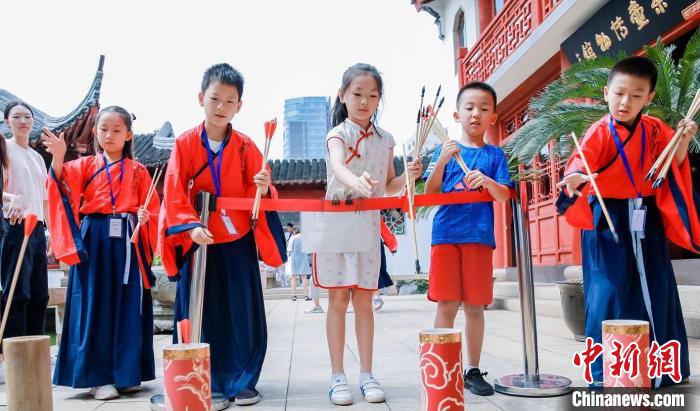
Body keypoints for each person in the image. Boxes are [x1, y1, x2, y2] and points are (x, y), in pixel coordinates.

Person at [557, 56, 698, 387]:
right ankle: (606, 371)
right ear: (606, 92)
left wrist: (686, 139)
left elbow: (673, 163)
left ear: (649, 98)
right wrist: (576, 179)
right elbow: (579, 164)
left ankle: (663, 368)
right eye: (619, 93)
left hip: (645, 215)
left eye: (636, 95)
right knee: (608, 290)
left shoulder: (654, 128)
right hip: (608, 217)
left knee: (656, 285)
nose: (626, 102)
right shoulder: (600, 132)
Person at [158, 63, 286, 405]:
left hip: (236, 241)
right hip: (198, 239)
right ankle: (199, 376)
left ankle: (244, 379)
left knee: (241, 312)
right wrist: (191, 224)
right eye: (215, 98)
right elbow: (173, 190)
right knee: (199, 310)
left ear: (239, 106)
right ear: (201, 97)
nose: (221, 107)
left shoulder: (246, 146)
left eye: (230, 101)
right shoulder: (185, 143)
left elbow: (260, 194)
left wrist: (263, 187)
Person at [312, 63, 422, 405]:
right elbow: (338, 165)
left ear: (379, 100)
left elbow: (388, 186)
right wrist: (354, 181)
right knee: (337, 299)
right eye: (357, 94)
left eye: (372, 96)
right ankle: (337, 377)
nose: (364, 101)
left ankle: (367, 374)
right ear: (343, 95)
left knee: (364, 301)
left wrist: (407, 176)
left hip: (367, 222)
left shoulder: (386, 140)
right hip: (335, 220)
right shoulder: (338, 134)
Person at [44, 106, 159, 399]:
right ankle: (97, 378)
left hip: (128, 240)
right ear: (95, 132)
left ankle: (125, 373)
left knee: (127, 303)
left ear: (128, 135)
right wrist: (58, 157)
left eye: (117, 130)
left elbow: (154, 208)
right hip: (95, 238)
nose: (109, 135)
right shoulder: (83, 165)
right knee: (95, 304)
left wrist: (145, 217)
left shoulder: (139, 171)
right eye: (104, 129)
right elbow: (59, 188)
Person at [424, 81, 512, 396]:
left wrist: (487, 181)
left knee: (475, 305)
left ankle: (472, 370)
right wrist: (443, 161)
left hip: (479, 237)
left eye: (484, 108)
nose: (476, 114)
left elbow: (503, 196)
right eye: (470, 107)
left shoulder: (495, 155)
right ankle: (441, 366)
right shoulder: (443, 150)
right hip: (446, 235)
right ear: (457, 114)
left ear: (493, 116)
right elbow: (430, 194)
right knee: (446, 303)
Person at [0, 102, 49, 381]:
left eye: (27, 116)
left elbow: (43, 197)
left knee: (39, 294)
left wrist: (51, 230)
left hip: (38, 228)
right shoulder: (4, 148)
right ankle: (13, 358)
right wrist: (11, 198)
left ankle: (34, 354)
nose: (22, 121)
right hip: (15, 226)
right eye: (16, 116)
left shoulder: (37, 157)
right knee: (17, 293)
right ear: (7, 121)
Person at [373, 220, 398, 311]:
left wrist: (392, 245)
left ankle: (377, 297)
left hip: (373, 242)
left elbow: (383, 228)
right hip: (356, 243)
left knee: (374, 270)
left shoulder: (373, 211)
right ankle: (352, 303)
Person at [287, 227, 310, 301]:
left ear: (294, 231)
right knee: (304, 277)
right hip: (303, 259)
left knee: (293, 277)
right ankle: (306, 296)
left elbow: (289, 249)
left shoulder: (292, 238)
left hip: (295, 259)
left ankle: (294, 296)